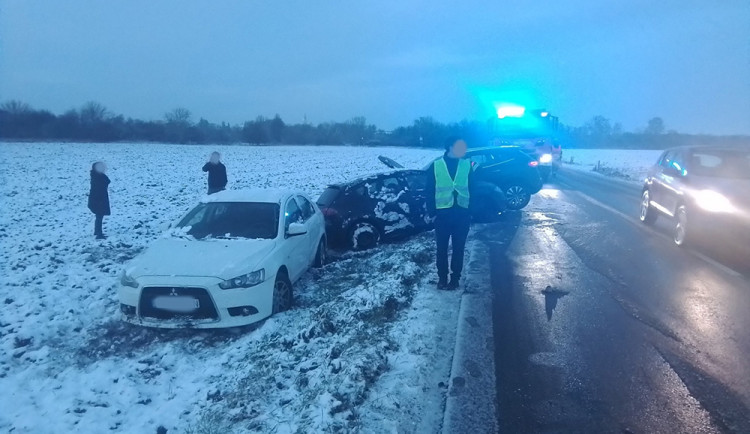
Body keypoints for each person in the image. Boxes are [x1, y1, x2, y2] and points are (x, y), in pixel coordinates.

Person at [426, 137, 474, 290]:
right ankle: (442, 278)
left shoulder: (467, 165)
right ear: (449, 147)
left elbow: (473, 190)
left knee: (458, 249)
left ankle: (455, 279)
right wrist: (432, 212)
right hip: (442, 215)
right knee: (441, 249)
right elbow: (429, 191)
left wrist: (471, 212)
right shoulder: (436, 166)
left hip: (462, 215)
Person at [88, 161, 111, 240]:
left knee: (99, 216)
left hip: (97, 198)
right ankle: (99, 234)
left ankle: (97, 231)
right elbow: (105, 182)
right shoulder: (98, 176)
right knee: (99, 216)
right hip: (98, 199)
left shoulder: (96, 175)